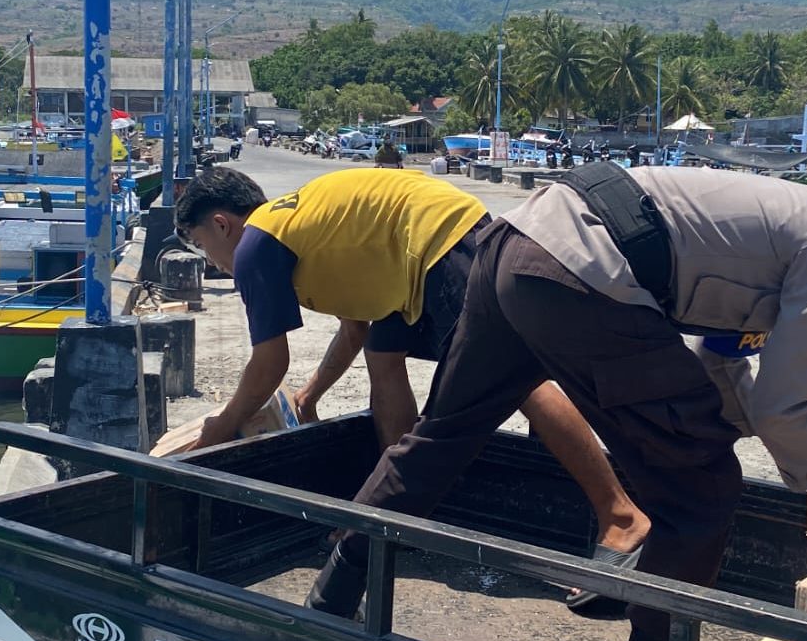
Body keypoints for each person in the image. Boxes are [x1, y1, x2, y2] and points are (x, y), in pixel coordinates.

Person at [307, 162, 807, 641]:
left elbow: (725, 359)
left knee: (443, 435)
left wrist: (713, 427)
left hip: (516, 249)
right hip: (578, 272)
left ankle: (330, 599)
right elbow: (785, 405)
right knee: (706, 492)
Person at [176, 168, 651, 598]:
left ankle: (621, 517)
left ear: (223, 223)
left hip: (435, 241)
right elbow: (355, 329)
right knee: (384, 359)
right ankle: (396, 516)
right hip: (410, 254)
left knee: (515, 380)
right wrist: (310, 395)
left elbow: (268, 362)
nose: (212, 262)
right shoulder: (297, 231)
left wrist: (220, 427)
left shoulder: (257, 244)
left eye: (202, 246)